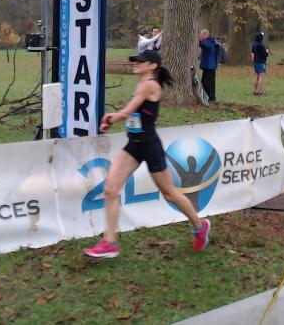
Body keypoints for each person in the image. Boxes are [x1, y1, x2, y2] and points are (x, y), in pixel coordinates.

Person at [83, 50, 210, 258]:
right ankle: (110, 242)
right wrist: (114, 119)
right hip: (134, 145)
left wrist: (112, 118)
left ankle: (200, 225)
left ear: (153, 66)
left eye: (140, 62)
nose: (135, 64)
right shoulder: (141, 84)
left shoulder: (150, 85)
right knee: (110, 190)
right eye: (134, 61)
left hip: (150, 146)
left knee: (169, 193)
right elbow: (133, 115)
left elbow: (126, 112)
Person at [198, 29, 220, 104]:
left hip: (210, 66)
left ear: (205, 35)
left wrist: (199, 40)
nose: (200, 36)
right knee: (206, 82)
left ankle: (211, 97)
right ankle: (210, 97)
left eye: (201, 35)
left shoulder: (209, 42)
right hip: (208, 66)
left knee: (207, 82)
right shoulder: (210, 41)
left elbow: (204, 45)